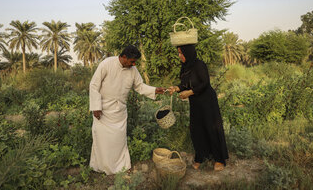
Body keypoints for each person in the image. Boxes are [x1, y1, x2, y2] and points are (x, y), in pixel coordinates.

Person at [89, 45, 165, 175]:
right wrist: (96, 107)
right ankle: (101, 167)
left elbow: (140, 86)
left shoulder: (133, 70)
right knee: (102, 140)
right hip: (103, 110)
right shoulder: (106, 64)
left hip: (119, 111)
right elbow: (94, 85)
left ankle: (121, 166)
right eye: (132, 61)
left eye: (135, 62)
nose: (134, 64)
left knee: (119, 141)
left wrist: (155, 90)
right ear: (124, 57)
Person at [168, 44, 229, 171]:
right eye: (178, 53)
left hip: (207, 101)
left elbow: (205, 83)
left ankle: (219, 159)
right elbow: (184, 84)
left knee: (211, 127)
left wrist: (189, 93)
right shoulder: (185, 67)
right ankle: (200, 157)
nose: (180, 56)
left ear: (188, 53)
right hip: (195, 102)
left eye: (181, 53)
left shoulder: (199, 65)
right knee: (196, 129)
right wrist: (176, 88)